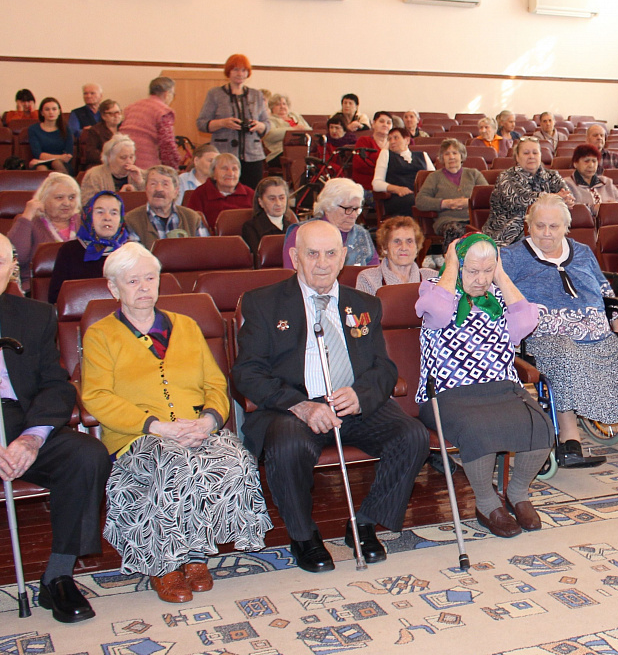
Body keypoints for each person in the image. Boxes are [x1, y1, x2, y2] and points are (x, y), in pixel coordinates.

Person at [235, 220, 431, 570]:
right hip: (293, 407)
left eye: (330, 254)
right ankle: (304, 535)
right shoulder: (262, 303)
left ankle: (365, 523)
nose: (322, 263)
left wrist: (360, 395)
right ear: (295, 257)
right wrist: (302, 406)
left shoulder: (364, 304)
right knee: (289, 446)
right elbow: (246, 373)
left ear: (343, 257)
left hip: (351, 404)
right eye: (312, 254)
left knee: (412, 436)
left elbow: (383, 368)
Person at [80, 243, 270, 603]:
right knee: (175, 464)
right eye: (132, 280)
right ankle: (163, 564)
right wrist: (156, 426)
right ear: (113, 288)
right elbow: (97, 397)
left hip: (193, 428)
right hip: (136, 437)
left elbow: (216, 383)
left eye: (149, 278)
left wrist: (209, 421)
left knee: (235, 459)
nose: (143, 287)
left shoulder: (185, 326)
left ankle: (196, 555)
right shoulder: (101, 335)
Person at [0, 233, 109, 623]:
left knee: (86, 454)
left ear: (12, 269)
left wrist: (31, 438)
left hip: (25, 422)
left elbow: (56, 385)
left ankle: (59, 575)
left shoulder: (33, 316)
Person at [415, 234, 553, 537]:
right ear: (458, 266)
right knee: (479, 431)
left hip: (501, 388)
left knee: (541, 424)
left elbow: (526, 324)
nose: (480, 280)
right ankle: (486, 503)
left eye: (486, 270)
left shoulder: (499, 298)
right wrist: (451, 266)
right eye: (472, 271)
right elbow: (438, 313)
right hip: (447, 393)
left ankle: (517, 493)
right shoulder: (435, 292)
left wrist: (500, 276)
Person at [504, 195, 618, 467]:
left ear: (566, 227)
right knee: (566, 357)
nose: (546, 233)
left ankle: (615, 414)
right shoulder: (512, 256)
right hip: (545, 337)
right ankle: (570, 439)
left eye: (554, 227)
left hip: (595, 333)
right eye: (539, 225)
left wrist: (615, 325)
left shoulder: (581, 251)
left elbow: (604, 291)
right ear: (528, 226)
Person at [483, 137, 575, 246]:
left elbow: (567, 195)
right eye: (526, 153)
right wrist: (556, 198)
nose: (531, 156)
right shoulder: (506, 177)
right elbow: (521, 199)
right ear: (517, 157)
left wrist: (567, 200)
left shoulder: (552, 175)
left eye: (535, 152)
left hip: (547, 231)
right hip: (508, 235)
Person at [196, 56, 270, 189]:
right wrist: (223, 123)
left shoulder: (256, 95)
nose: (240, 74)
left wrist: (259, 126)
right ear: (228, 72)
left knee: (252, 195)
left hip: (253, 156)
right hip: (224, 156)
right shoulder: (215, 94)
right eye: (236, 69)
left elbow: (267, 125)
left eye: (243, 70)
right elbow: (202, 123)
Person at [47, 191, 130, 305]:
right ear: (88, 216)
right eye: (100, 212)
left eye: (114, 213)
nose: (107, 218)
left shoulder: (130, 252)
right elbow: (55, 297)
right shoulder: (69, 251)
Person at [283, 178, 378, 269]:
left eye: (357, 209)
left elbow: (375, 274)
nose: (353, 215)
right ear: (328, 207)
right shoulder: (302, 232)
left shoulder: (362, 234)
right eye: (348, 209)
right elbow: (291, 274)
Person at [10, 173, 80, 289]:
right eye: (59, 197)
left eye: (72, 197)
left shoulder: (83, 222)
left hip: (76, 289)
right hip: (36, 290)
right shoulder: (29, 221)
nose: (67, 203)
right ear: (43, 199)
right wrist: (27, 214)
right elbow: (16, 258)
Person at [416, 138, 484, 244]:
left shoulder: (474, 174)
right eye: (447, 154)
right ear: (442, 157)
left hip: (473, 219)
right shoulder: (434, 177)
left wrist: (468, 202)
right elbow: (420, 201)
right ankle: (455, 260)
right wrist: (445, 203)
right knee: (455, 232)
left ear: (461, 155)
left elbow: (487, 196)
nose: (451, 157)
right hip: (448, 221)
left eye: (455, 153)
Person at [122, 166, 209, 248]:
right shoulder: (131, 220)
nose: (159, 189)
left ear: (176, 191)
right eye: (153, 184)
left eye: (165, 184)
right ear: (146, 189)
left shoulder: (193, 218)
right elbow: (135, 258)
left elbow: (204, 254)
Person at [355, 216, 437, 294]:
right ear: (385, 248)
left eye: (409, 241)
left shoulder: (432, 277)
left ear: (417, 247)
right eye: (397, 241)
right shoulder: (368, 279)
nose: (404, 247)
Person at [119, 77, 181, 171]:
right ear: (167, 94)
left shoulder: (131, 107)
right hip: (146, 165)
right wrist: (173, 168)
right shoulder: (163, 111)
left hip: (124, 162)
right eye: (173, 94)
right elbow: (167, 144)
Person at [185, 154, 256, 228]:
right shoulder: (200, 193)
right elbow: (191, 224)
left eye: (234, 169)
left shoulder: (250, 194)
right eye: (224, 168)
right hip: (211, 239)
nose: (230, 173)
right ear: (213, 173)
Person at [373, 126, 430, 217]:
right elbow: (376, 183)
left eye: (396, 138)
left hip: (421, 195)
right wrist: (397, 189)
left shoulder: (422, 155)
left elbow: (434, 178)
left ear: (407, 140)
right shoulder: (386, 154)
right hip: (397, 198)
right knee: (416, 201)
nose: (392, 141)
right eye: (389, 139)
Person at [80, 133, 145, 205]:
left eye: (131, 157)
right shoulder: (94, 176)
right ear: (109, 158)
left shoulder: (140, 174)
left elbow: (150, 204)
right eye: (123, 157)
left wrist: (140, 183)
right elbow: (87, 206)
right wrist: (119, 197)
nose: (129, 161)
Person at [241, 176, 297, 256]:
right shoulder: (251, 227)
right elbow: (258, 259)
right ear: (260, 202)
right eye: (272, 199)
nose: (278, 203)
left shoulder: (293, 227)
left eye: (281, 198)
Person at [562, 144, 618, 216]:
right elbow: (571, 209)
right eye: (586, 161)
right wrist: (597, 208)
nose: (591, 165)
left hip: (611, 221)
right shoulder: (567, 184)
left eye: (594, 161)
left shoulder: (607, 182)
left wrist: (616, 205)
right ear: (575, 163)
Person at [26, 97, 74, 173]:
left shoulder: (66, 129)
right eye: (47, 109)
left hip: (62, 164)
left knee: (56, 163)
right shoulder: (33, 129)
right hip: (40, 163)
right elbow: (38, 154)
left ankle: (65, 184)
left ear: (59, 112)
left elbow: (68, 155)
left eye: (54, 109)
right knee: (41, 168)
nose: (51, 112)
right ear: (42, 113)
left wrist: (56, 158)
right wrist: (60, 157)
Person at [263, 93, 309, 168]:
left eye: (284, 104)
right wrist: (293, 129)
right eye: (278, 104)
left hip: (302, 149)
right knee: (301, 156)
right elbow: (270, 134)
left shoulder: (296, 116)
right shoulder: (269, 120)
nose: (282, 107)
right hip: (279, 153)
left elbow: (310, 130)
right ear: (272, 107)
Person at [352, 111, 395, 191]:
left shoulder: (394, 144)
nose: (385, 125)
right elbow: (360, 165)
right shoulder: (364, 141)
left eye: (388, 123)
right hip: (367, 187)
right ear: (373, 124)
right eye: (381, 121)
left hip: (391, 186)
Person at [77, 98, 122, 170]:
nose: (116, 116)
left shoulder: (125, 128)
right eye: (111, 113)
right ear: (103, 116)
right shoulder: (95, 130)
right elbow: (91, 153)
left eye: (118, 112)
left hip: (123, 163)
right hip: (102, 164)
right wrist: (111, 159)